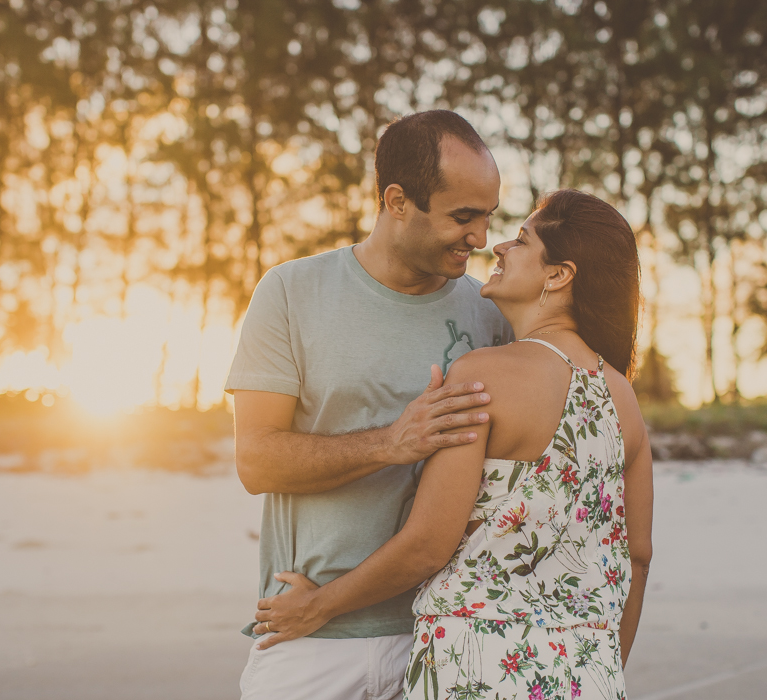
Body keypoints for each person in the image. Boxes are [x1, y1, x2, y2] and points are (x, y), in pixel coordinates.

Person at [252, 189, 654, 700]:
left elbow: (427, 545)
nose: (499, 247)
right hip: (587, 673)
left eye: (522, 240)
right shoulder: (622, 396)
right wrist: (598, 669)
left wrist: (320, 605)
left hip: (477, 667)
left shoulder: (483, 375)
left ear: (558, 275)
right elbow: (636, 558)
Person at [225, 110, 515, 700]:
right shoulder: (289, 292)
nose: (481, 238)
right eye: (463, 216)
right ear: (397, 201)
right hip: (310, 633)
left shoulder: (491, 315)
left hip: (446, 637)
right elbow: (257, 462)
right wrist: (392, 442)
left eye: (488, 217)